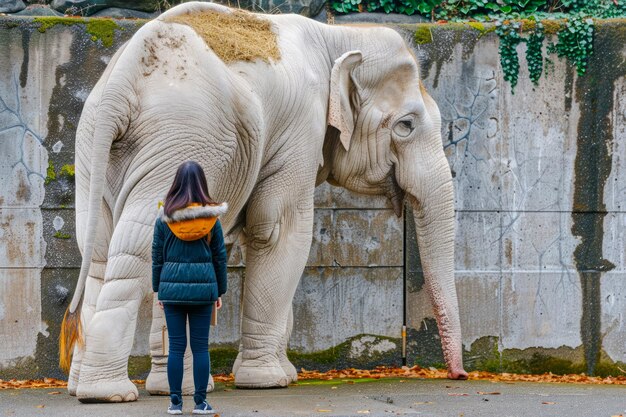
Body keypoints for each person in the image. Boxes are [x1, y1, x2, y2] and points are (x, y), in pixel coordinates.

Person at [152, 161, 228, 415]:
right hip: (203, 291)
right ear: (201, 185)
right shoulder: (211, 220)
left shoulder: (164, 219)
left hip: (171, 291)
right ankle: (200, 402)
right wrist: (219, 291)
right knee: (200, 348)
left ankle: (175, 403)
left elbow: (157, 257)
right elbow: (219, 257)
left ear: (176, 185)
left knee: (175, 347)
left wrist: (158, 290)